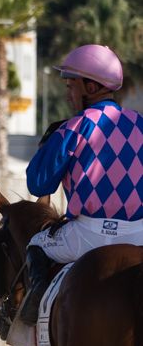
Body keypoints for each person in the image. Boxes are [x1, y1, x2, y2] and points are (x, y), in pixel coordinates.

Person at [15, 45, 143, 327]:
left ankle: (31, 314)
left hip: (87, 235)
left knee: (35, 245)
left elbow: (38, 184)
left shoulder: (73, 127)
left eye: (71, 85)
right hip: (138, 234)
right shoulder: (140, 125)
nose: (68, 93)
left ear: (91, 85)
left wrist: (52, 145)